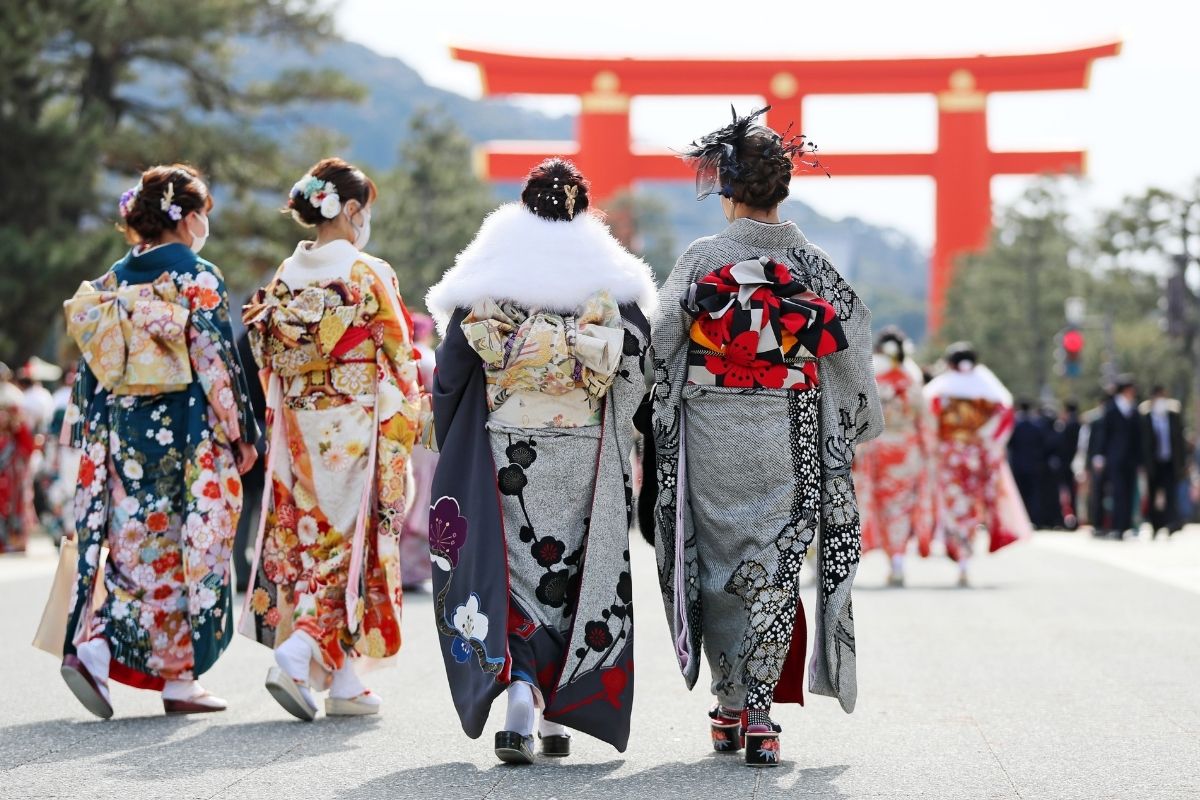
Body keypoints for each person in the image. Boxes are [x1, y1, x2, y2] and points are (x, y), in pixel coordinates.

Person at [650, 108, 883, 767]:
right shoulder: (811, 262)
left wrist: (657, 401)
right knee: (776, 567)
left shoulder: (703, 258)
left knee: (714, 567)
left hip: (710, 427)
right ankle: (760, 716)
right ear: (782, 189)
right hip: (790, 428)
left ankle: (727, 703)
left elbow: (662, 339)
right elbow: (849, 345)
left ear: (727, 193)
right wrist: (854, 419)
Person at [426, 158, 655, 764]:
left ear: (525, 204)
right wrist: (618, 418)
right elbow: (638, 366)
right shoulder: (609, 277)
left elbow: (451, 371)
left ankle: (523, 693)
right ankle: (554, 707)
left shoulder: (492, 272)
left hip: (507, 448)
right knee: (571, 572)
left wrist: (454, 439)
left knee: (514, 569)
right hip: (584, 447)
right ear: (582, 207)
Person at [59, 164, 259, 718]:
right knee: (194, 547)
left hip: (123, 433)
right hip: (186, 432)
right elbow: (216, 361)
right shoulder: (197, 276)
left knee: (138, 549)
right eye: (204, 216)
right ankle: (112, 651)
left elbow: (94, 365)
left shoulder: (112, 281)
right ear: (189, 218)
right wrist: (241, 432)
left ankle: (165, 673)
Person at [240, 157, 423, 721]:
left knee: (313, 540)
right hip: (354, 426)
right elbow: (399, 356)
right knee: (350, 541)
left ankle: (343, 679)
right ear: (350, 209)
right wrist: (406, 420)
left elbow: (268, 359)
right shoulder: (367, 271)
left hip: (299, 427)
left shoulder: (284, 277)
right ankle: (299, 650)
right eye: (364, 210)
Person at [924, 343, 1029, 586]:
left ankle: (957, 549)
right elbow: (1004, 419)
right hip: (976, 457)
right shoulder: (988, 389)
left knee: (952, 505)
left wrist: (934, 446)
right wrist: (987, 442)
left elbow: (928, 420)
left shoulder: (942, 390)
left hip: (949, 455)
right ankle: (965, 555)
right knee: (972, 507)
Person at [853, 326, 933, 586]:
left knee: (879, 505)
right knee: (900, 506)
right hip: (907, 450)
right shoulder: (911, 380)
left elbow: (859, 416)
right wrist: (929, 452)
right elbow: (925, 419)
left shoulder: (874, 377)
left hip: (877, 447)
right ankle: (897, 558)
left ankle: (890, 556)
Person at [398, 312, 437, 590]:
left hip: (402, 430)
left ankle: (400, 568)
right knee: (423, 499)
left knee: (406, 494)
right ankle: (411, 571)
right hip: (425, 433)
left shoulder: (401, 353)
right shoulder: (427, 356)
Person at [1092, 377, 1142, 539]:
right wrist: (1099, 455)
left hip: (1131, 459)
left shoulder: (1134, 410)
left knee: (1129, 492)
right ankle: (1117, 526)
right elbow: (1104, 435)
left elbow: (1139, 437)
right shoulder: (1111, 409)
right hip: (1114, 458)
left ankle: (1126, 525)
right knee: (1118, 493)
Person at [1140, 385, 1186, 537]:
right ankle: (1155, 525)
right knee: (1153, 494)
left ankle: (1171, 523)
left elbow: (1179, 441)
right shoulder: (1145, 417)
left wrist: (1183, 463)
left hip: (1169, 462)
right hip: (1153, 463)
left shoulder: (1173, 416)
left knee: (1171, 494)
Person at [0, 363, 35, 553]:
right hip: (9, 452)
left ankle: (13, 538)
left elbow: (23, 432)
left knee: (13, 497)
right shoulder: (14, 396)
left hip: (9, 455)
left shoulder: (13, 396)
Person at [1008, 399, 1047, 527]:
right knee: (1034, 494)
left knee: (1019, 494)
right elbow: (1043, 445)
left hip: (1018, 464)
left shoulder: (1015, 425)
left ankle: (1020, 520)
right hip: (1034, 465)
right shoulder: (1037, 426)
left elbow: (1010, 443)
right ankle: (1035, 519)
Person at [1055, 401, 1082, 529]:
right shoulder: (1079, 423)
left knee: (1067, 493)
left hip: (1068, 464)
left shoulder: (1068, 425)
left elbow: (1062, 445)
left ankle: (1068, 519)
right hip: (1075, 463)